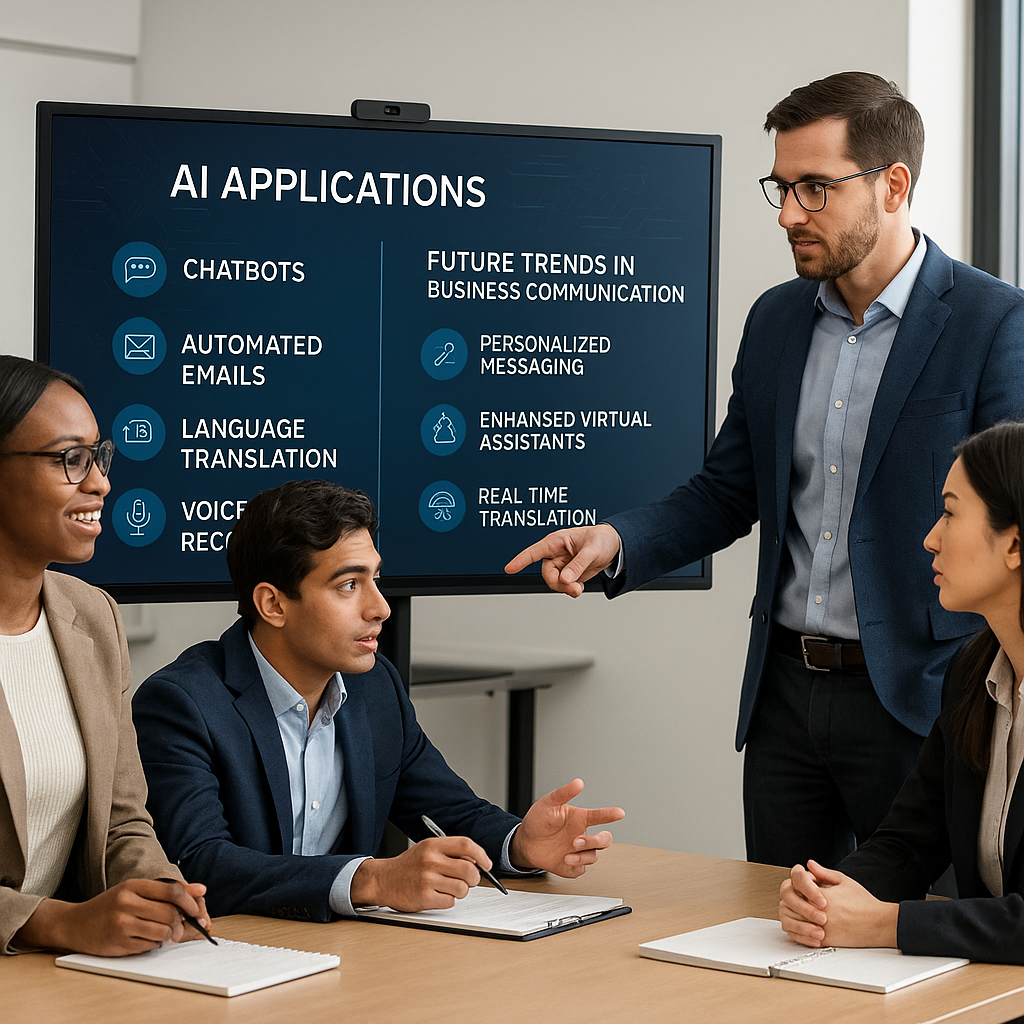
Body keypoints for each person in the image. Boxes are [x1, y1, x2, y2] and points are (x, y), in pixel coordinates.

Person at [505, 71, 1024, 868]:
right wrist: (617, 538)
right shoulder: (777, 319)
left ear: (893, 186)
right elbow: (727, 490)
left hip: (922, 700)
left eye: (815, 188)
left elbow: (1008, 513)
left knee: (920, 949)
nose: (788, 215)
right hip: (784, 701)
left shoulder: (993, 323)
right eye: (780, 188)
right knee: (783, 934)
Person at [132, 479, 624, 920]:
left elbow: (449, 809)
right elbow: (201, 866)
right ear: (273, 604)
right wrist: (372, 879)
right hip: (228, 962)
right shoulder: (181, 703)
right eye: (349, 585)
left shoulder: (374, 687)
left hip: (345, 959)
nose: (380, 607)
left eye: (375, 578)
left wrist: (521, 844)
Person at [778, 421, 1024, 965]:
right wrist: (827, 893)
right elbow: (909, 842)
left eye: (951, 512)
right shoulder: (971, 673)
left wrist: (887, 923)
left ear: (1014, 544)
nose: (930, 537)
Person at [0, 354, 209, 956]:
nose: (100, 483)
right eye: (70, 459)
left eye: (99, 456)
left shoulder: (93, 615)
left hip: (51, 979)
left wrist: (159, 889)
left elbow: (122, 821)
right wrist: (57, 922)